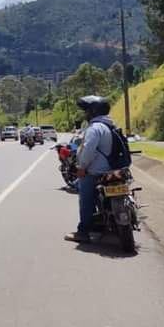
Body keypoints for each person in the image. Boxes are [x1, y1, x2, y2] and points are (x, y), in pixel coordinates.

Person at [65, 95, 115, 243]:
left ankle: (83, 232)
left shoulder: (95, 128)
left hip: (95, 171)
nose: (85, 114)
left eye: (86, 111)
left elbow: (88, 149)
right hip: (112, 170)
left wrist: (82, 167)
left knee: (85, 198)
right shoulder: (110, 125)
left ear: (93, 112)